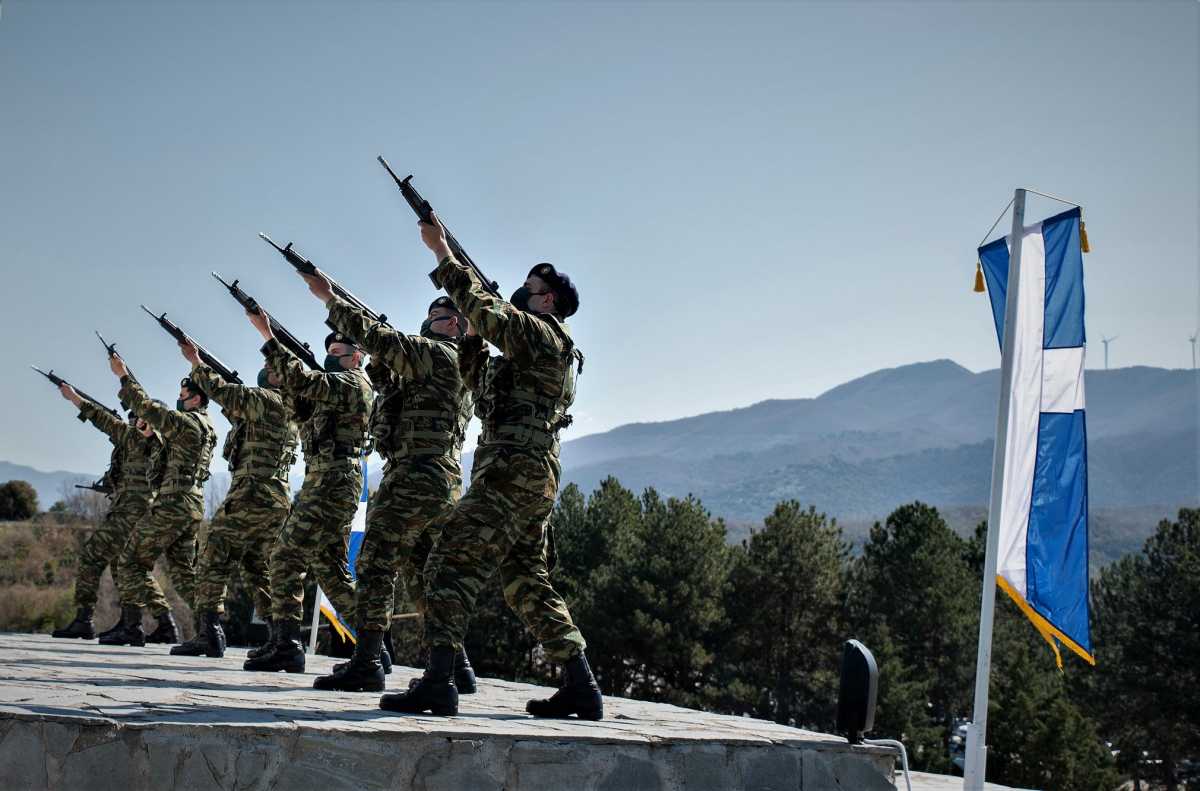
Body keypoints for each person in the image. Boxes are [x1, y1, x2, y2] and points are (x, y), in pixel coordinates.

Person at [382, 215, 600, 719]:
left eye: (531, 288)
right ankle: (581, 685)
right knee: (525, 579)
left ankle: (439, 680)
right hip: (529, 474)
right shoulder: (536, 351)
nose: (522, 293)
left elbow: (492, 315)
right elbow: (482, 388)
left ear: (548, 301)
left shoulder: (544, 336)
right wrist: (475, 339)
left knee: (445, 564)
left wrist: (442, 254)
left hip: (511, 473)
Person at [299, 271, 476, 693]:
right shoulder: (457, 364)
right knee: (422, 575)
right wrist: (382, 364)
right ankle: (457, 666)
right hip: (442, 480)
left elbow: (381, 339)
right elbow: (392, 386)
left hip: (414, 475)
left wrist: (329, 298)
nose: (431, 319)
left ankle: (368, 661)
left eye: (439, 315)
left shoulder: (437, 354)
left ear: (455, 324)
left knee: (376, 562)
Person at [241, 312, 373, 673]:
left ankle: (287, 644)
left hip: (334, 480)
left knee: (285, 555)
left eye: (339, 350)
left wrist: (270, 338)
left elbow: (305, 379)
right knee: (331, 572)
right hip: (324, 479)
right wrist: (287, 382)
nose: (331, 355)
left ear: (357, 356)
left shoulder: (354, 384)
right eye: (328, 349)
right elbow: (299, 407)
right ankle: (376, 647)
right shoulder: (330, 390)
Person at [169, 341, 299, 659]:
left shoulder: (266, 399)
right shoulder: (288, 405)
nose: (266, 371)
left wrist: (196, 362)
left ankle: (209, 632)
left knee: (215, 554)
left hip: (251, 495)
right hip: (274, 498)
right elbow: (235, 410)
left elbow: (226, 394)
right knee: (258, 567)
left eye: (272, 369)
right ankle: (281, 638)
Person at [100, 357, 217, 647]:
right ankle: (210, 632)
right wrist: (153, 437)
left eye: (183, 397)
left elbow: (148, 408)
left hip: (173, 503)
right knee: (183, 572)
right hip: (192, 504)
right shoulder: (207, 426)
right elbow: (171, 456)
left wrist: (124, 377)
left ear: (197, 398)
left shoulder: (189, 423)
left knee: (130, 559)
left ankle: (131, 627)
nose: (179, 401)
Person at [51, 386, 161, 640]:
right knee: (124, 564)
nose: (134, 420)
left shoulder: (144, 440)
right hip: (137, 510)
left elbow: (104, 420)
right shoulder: (147, 439)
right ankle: (132, 624)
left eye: (139, 416)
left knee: (93, 556)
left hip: (130, 511)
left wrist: (75, 398)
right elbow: (105, 421)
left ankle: (85, 620)